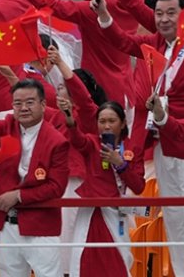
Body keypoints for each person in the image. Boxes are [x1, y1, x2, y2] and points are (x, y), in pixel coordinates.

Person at [92, 0, 184, 277]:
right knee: (175, 217)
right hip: (162, 145)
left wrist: (169, 121)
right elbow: (123, 41)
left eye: (171, 13)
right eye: (159, 14)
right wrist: (104, 13)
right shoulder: (155, 44)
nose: (163, 19)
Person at [0, 79, 70, 277]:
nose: (23, 108)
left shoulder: (57, 141)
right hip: (7, 223)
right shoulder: (9, 126)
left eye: (30, 102)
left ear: (43, 105)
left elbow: (56, 188)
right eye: (17, 103)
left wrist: (19, 196)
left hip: (41, 225)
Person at [52, 47, 144, 276]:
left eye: (111, 121)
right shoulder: (93, 142)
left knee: (119, 264)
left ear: (123, 123)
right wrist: (72, 123)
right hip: (90, 213)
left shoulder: (132, 147)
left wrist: (119, 163)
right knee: (82, 262)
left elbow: (139, 186)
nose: (105, 126)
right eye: (101, 121)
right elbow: (79, 140)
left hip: (117, 214)